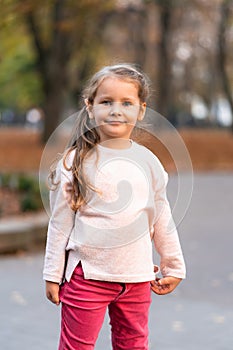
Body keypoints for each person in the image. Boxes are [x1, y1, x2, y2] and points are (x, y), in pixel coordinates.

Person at [43, 63, 186, 350]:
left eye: (126, 103)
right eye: (106, 102)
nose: (116, 110)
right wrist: (52, 274)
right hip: (87, 278)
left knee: (133, 345)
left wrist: (174, 265)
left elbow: (161, 216)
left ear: (141, 110)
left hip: (137, 277)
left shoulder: (149, 162)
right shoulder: (75, 162)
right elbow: (60, 223)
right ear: (90, 107)